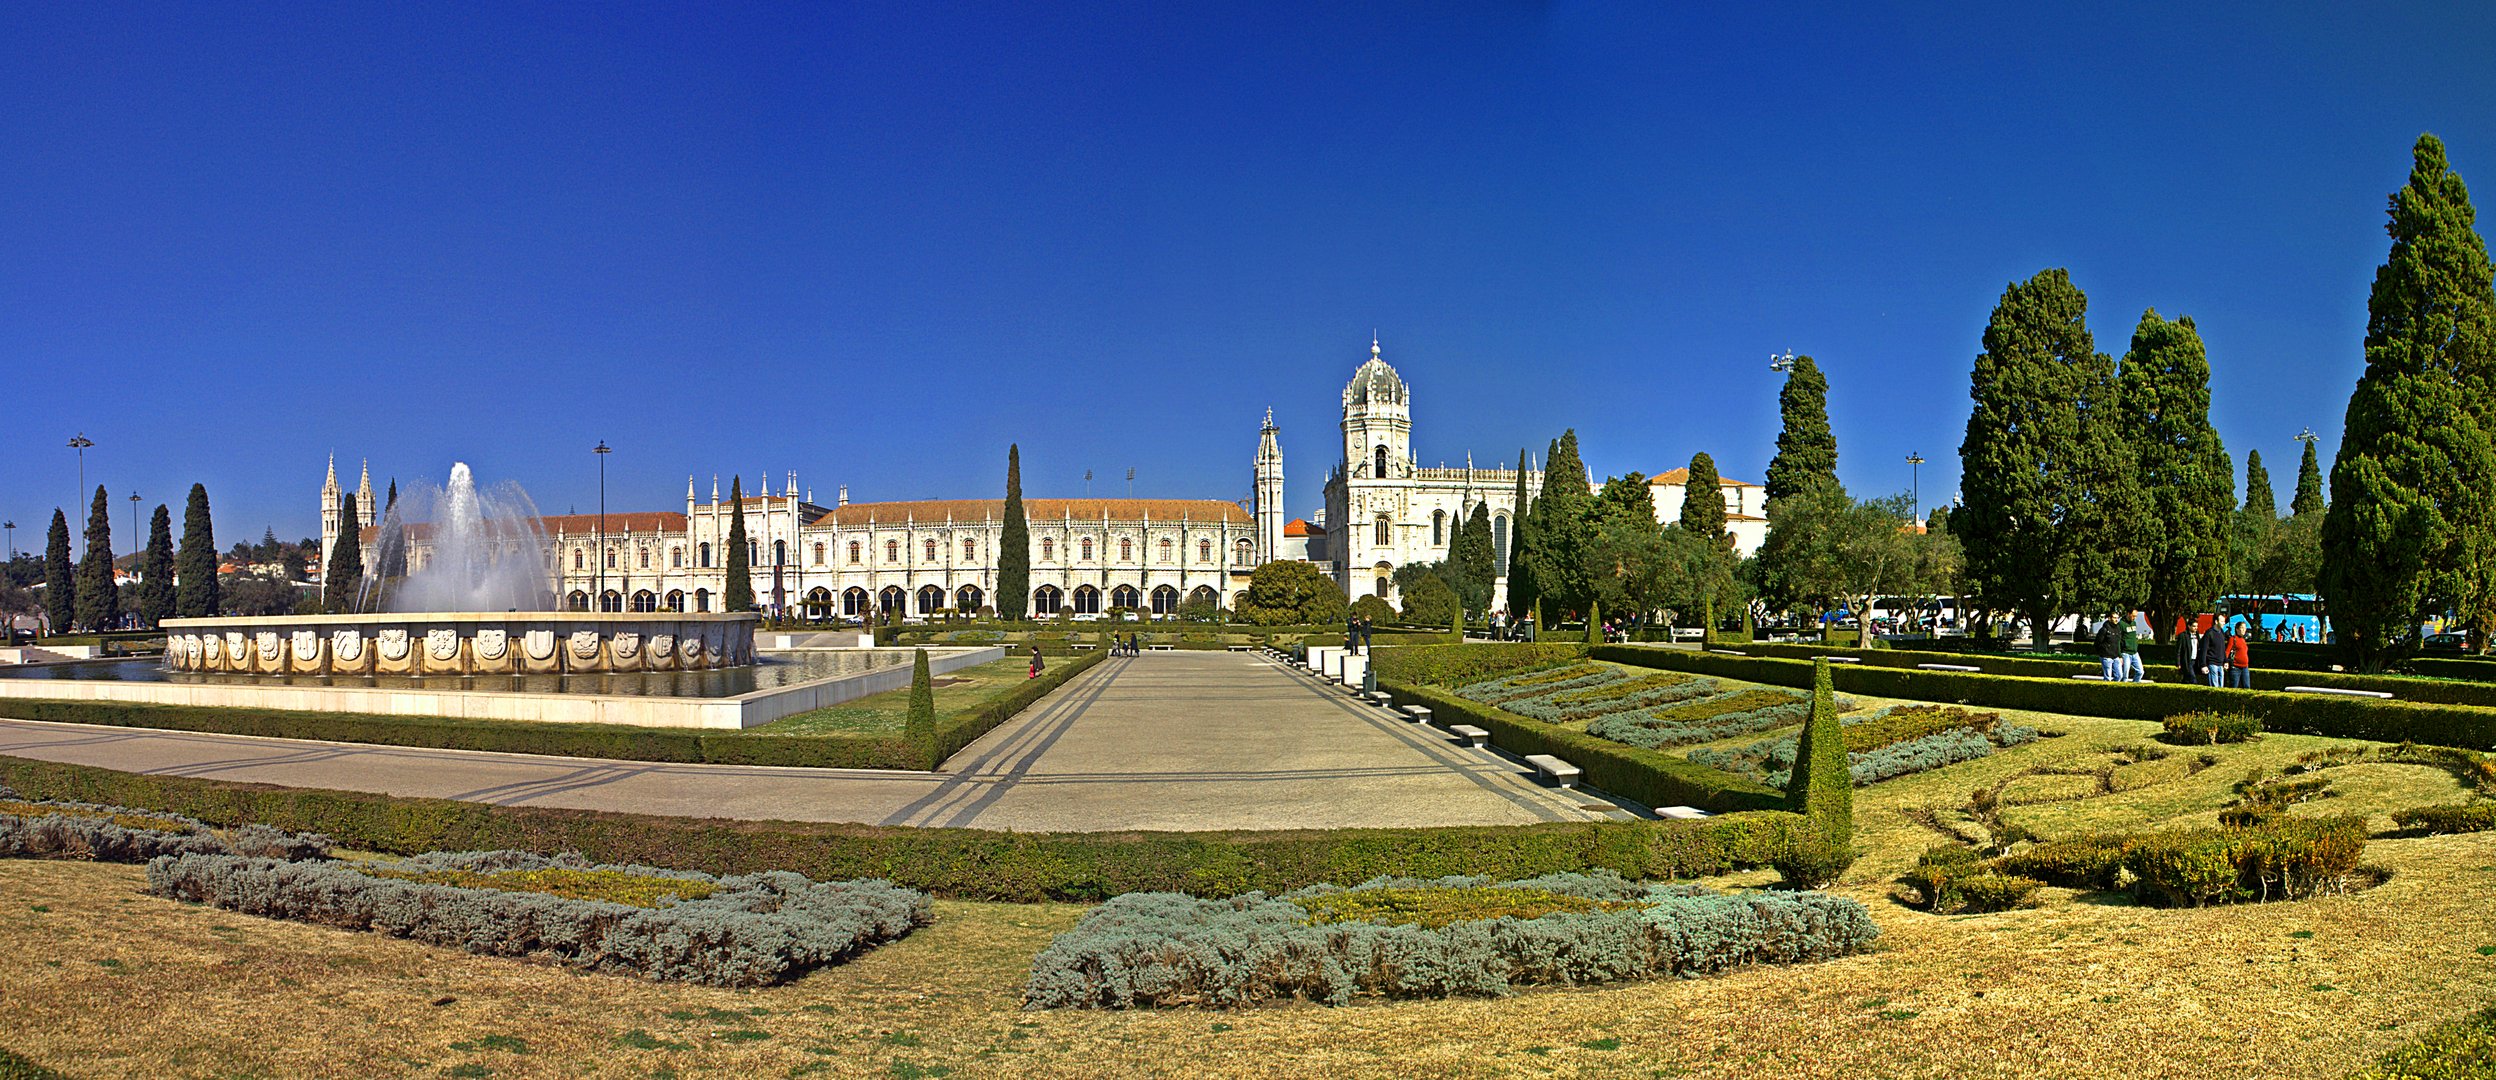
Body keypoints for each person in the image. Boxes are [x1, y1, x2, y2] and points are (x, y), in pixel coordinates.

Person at [2199, 617, 2229, 687]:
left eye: (2224, 621)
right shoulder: (2209, 633)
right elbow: (2204, 649)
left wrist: (2225, 661)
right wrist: (2203, 665)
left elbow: (2222, 648)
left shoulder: (2221, 632)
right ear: (2216, 621)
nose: (2224, 623)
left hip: (2220, 664)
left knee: (2221, 686)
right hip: (2212, 663)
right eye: (2222, 621)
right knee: (2215, 686)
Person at [2093, 614, 2123, 681]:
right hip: (2106, 656)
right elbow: (2097, 643)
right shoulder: (2104, 629)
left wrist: (2119, 656)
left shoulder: (2118, 628)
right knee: (2107, 678)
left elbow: (2118, 643)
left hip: (2115, 656)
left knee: (2119, 676)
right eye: (2114, 617)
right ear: (2109, 618)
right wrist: (2103, 652)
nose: (2116, 619)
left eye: (2117, 618)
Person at [2227, 621, 2252, 689]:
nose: (2244, 630)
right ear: (2237, 629)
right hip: (2235, 667)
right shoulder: (2233, 639)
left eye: (2245, 628)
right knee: (2234, 686)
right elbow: (2227, 651)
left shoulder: (2243, 640)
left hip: (2245, 667)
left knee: (2247, 687)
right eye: (2242, 628)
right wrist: (2226, 662)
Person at [2122, 611, 2146, 683]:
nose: (2134, 618)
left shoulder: (2134, 623)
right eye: (2133, 616)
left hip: (2134, 652)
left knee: (2140, 671)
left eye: (2135, 616)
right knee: (2125, 675)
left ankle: (2134, 686)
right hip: (2125, 652)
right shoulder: (2121, 624)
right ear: (2128, 614)